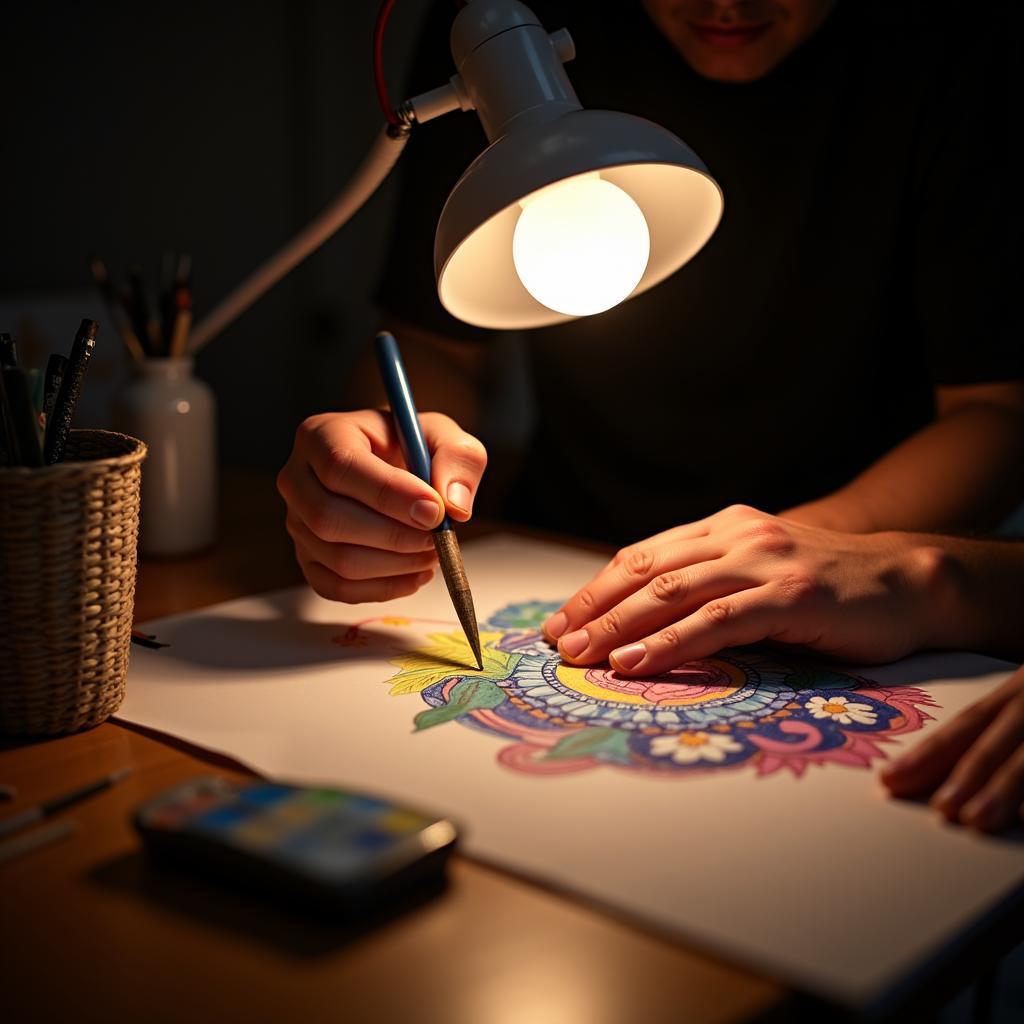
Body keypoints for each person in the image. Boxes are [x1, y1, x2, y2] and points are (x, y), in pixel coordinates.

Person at [276, 0, 1023, 827]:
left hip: (861, 590)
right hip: (557, 555)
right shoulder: (494, 32)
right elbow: (433, 347)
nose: (727, 3)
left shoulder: (960, 45)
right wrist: (394, 458)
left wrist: (821, 549)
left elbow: (997, 409)